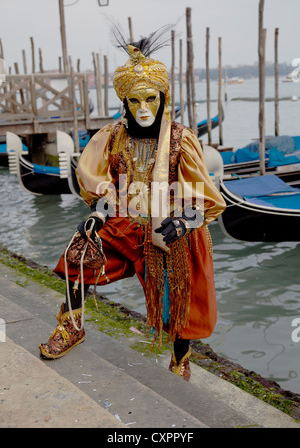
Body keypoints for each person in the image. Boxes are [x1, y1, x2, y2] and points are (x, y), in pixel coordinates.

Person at [39, 37, 226, 381]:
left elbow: (206, 200)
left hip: (169, 229)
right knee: (77, 255)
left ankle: (180, 360)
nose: (143, 108)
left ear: (163, 99)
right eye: (134, 100)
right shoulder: (113, 136)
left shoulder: (182, 140)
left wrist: (184, 223)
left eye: (150, 99)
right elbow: (106, 183)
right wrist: (97, 213)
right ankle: (72, 326)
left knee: (179, 303)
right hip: (124, 222)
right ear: (124, 101)